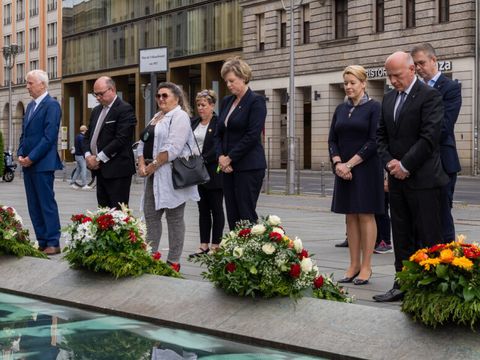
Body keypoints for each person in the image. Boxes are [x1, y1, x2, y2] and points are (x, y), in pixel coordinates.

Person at [374, 51, 449, 302]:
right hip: (397, 180)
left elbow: (429, 138)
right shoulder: (387, 99)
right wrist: (390, 164)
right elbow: (381, 137)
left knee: (428, 236)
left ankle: (430, 287)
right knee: (402, 232)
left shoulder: (430, 96)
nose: (393, 80)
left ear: (411, 70)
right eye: (389, 76)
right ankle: (402, 282)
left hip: (424, 180)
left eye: (397, 75)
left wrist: (405, 165)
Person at [328, 65, 384, 286]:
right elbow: (332, 139)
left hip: (366, 168)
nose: (349, 86)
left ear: (363, 83)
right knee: (350, 215)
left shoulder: (374, 108)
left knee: (365, 215)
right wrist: (338, 163)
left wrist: (350, 164)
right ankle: (353, 264)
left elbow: (374, 141)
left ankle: (367, 266)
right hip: (343, 170)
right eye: (346, 83)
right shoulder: (340, 109)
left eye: (353, 82)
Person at [137, 82, 200, 272]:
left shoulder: (180, 116)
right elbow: (142, 141)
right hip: (152, 174)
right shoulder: (157, 116)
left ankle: (173, 261)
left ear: (177, 98)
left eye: (165, 95)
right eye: (158, 96)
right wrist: (141, 163)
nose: (161, 99)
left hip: (170, 174)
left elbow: (173, 148)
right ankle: (150, 255)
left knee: (174, 218)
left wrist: (151, 167)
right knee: (151, 215)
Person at [411, 43, 462, 243]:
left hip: (442, 161)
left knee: (442, 215)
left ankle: (448, 261)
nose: (419, 68)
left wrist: (415, 144)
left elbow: (444, 126)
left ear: (434, 60)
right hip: (418, 163)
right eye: (415, 64)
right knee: (420, 216)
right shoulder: (414, 89)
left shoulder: (450, 88)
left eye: (422, 62)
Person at [215, 57, 267, 230]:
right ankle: (235, 253)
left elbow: (252, 135)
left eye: (232, 81)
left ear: (243, 78)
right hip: (227, 167)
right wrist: (221, 157)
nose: (229, 85)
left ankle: (250, 254)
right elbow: (218, 133)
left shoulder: (256, 101)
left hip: (249, 166)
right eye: (226, 81)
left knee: (246, 214)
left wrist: (230, 158)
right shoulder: (226, 102)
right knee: (232, 214)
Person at [17, 69, 62, 255]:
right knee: (33, 205)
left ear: (42, 84)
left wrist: (31, 157)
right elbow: (24, 135)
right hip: (29, 164)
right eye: (27, 83)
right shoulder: (30, 107)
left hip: (42, 164)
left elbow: (49, 137)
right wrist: (20, 154)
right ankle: (42, 240)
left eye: (30, 83)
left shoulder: (51, 105)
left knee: (46, 203)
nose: (27, 86)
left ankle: (53, 241)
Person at [82, 76, 136, 209]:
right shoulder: (96, 110)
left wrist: (98, 158)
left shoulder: (124, 109)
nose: (98, 97)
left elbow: (121, 139)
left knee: (118, 214)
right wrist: (88, 155)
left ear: (112, 90)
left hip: (118, 170)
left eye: (101, 94)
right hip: (100, 171)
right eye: (95, 94)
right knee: (103, 213)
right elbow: (87, 137)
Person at [189, 90, 225, 257]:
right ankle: (203, 244)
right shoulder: (194, 122)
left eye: (204, 105)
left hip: (213, 171)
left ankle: (216, 244)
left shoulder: (218, 123)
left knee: (216, 209)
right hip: (197, 172)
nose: (200, 108)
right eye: (198, 105)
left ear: (212, 105)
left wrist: (203, 158)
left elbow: (218, 146)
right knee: (202, 209)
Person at [374, 174, 393, 254]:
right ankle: (378, 241)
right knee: (376, 212)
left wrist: (386, 179)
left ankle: (385, 242)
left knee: (382, 212)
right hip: (376, 180)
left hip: (382, 179)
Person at [71, 125, 91, 190]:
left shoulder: (77, 136)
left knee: (78, 170)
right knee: (83, 170)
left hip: (77, 155)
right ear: (85, 130)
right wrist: (86, 155)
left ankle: (72, 183)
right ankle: (84, 185)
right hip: (81, 156)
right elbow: (83, 147)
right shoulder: (82, 137)